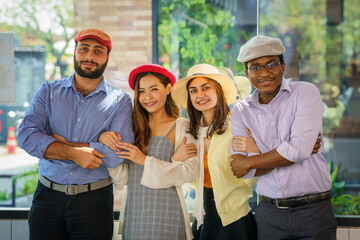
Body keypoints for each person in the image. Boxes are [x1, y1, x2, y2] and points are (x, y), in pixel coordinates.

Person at [17, 28, 134, 240]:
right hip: (46, 199)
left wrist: (64, 145)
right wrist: (76, 153)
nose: (89, 56)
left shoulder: (120, 101)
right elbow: (26, 136)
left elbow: (116, 154)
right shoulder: (48, 91)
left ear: (107, 57)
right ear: (75, 51)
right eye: (84, 49)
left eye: (98, 51)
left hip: (94, 203)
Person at [230, 35, 337, 240]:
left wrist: (254, 157)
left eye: (271, 64)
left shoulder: (305, 92)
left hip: (313, 212)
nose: (264, 73)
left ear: (283, 66)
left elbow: (298, 149)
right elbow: (239, 168)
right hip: (270, 214)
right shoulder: (241, 111)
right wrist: (290, 151)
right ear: (247, 72)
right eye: (255, 67)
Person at [98, 64, 199, 240]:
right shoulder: (132, 129)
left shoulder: (183, 126)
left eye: (154, 89)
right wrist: (105, 140)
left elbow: (189, 174)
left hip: (169, 214)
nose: (147, 97)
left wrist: (145, 160)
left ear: (168, 89)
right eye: (142, 91)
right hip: (135, 213)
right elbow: (123, 178)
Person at [171, 63, 258, 240]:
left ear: (218, 91)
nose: (199, 95)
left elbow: (252, 179)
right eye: (193, 91)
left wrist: (256, 152)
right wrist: (175, 159)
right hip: (203, 213)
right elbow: (187, 178)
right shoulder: (191, 133)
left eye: (206, 88)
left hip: (234, 216)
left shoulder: (237, 128)